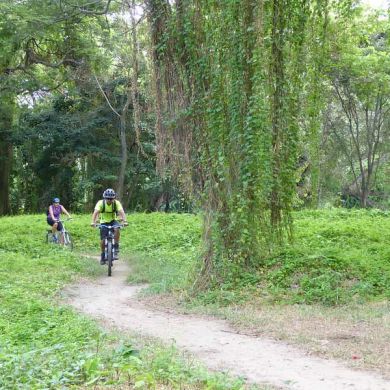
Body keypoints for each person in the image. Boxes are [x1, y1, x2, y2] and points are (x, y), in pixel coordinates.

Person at [91, 188, 128, 264]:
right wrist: (93, 222)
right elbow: (95, 213)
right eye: (108, 198)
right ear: (105, 198)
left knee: (117, 228)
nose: (110, 200)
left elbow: (122, 212)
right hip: (103, 222)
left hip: (113, 221)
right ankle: (102, 255)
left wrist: (125, 221)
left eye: (111, 199)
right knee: (103, 240)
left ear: (114, 198)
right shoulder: (100, 203)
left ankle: (116, 246)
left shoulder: (116, 203)